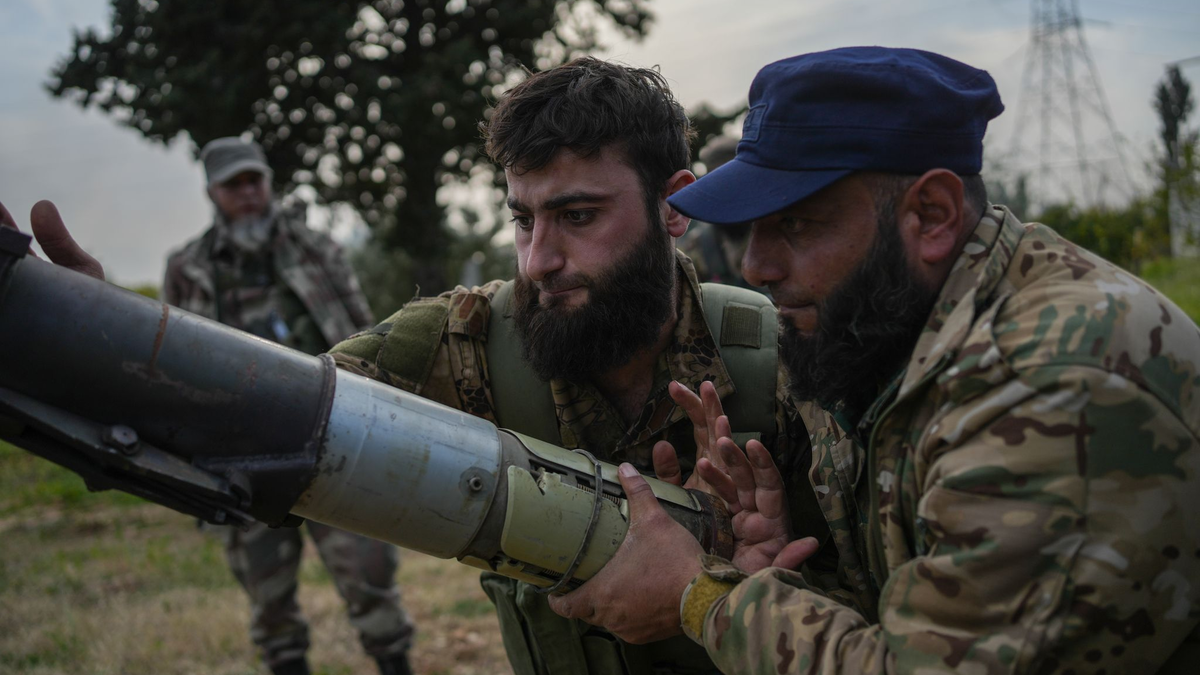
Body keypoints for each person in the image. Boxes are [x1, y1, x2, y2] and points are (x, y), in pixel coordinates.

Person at [545, 47, 1200, 673]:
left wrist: (704, 598)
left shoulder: (1059, 388)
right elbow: (912, 606)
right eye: (751, 229)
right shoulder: (878, 328)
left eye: (797, 224)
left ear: (932, 215)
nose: (754, 267)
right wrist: (782, 572)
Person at [326, 57, 826, 675]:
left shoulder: (785, 363)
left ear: (675, 205)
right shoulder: (465, 343)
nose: (538, 262)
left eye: (577, 216)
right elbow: (289, 411)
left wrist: (751, 582)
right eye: (522, 219)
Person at [164, 137, 416, 675]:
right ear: (213, 192)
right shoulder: (189, 267)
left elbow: (366, 332)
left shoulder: (315, 249)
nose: (249, 193)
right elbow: (175, 366)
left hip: (332, 438)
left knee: (370, 579)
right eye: (234, 185)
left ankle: (394, 662)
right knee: (268, 598)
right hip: (244, 457)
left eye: (255, 180)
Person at [676, 136, 760, 292]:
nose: (727, 193)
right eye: (719, 184)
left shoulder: (771, 236)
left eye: (734, 182)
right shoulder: (697, 247)